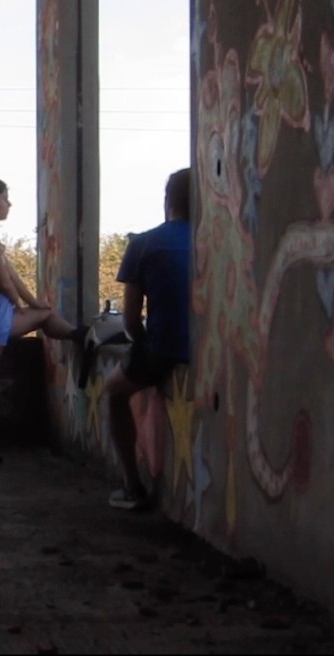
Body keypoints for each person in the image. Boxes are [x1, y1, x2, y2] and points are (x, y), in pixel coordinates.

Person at [0, 177, 88, 464]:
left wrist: (32, 303)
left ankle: (80, 337)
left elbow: (13, 277)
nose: (9, 204)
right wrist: (18, 304)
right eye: (4, 198)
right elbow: (1, 279)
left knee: (44, 314)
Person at [104, 167, 192, 510]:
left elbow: (129, 320)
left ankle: (131, 485)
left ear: (168, 201)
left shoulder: (143, 243)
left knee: (113, 393)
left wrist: (143, 346)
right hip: (204, 346)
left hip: (165, 348)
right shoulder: (210, 240)